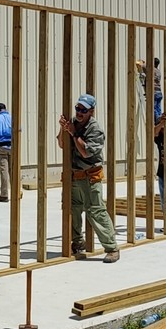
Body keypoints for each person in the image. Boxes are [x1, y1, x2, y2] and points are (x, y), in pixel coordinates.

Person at [58, 93, 120, 263]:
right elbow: (62, 144)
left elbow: (86, 152)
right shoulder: (73, 123)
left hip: (89, 176)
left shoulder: (94, 129)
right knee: (72, 209)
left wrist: (73, 133)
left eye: (83, 110)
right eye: (77, 108)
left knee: (96, 211)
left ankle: (112, 248)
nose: (79, 112)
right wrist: (63, 129)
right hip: (74, 176)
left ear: (91, 111)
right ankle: (77, 243)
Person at [0, 103, 12, 202]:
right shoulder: (12, 118)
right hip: (12, 145)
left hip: (0, 146)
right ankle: (18, 191)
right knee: (13, 170)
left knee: (4, 170)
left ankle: (4, 194)